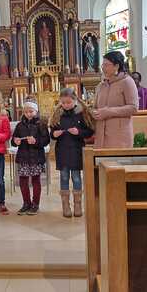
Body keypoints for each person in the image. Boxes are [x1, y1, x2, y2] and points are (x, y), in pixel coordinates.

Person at [50, 88, 94, 218]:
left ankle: (78, 205)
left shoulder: (81, 114)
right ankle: (66, 206)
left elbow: (90, 131)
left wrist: (79, 132)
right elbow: (52, 133)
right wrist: (54, 134)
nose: (66, 105)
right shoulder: (58, 114)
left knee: (76, 177)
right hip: (62, 151)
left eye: (68, 102)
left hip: (76, 150)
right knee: (63, 177)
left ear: (75, 100)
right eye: (63, 103)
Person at [11, 98, 50, 215]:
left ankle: (35, 204)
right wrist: (16, 141)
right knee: (23, 181)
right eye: (26, 111)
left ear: (36, 111)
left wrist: (35, 141)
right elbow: (14, 140)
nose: (28, 114)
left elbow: (46, 140)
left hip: (36, 157)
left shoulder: (41, 125)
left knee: (35, 181)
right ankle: (26, 203)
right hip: (23, 157)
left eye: (31, 111)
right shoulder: (19, 125)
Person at [93, 51, 138, 148]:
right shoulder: (101, 85)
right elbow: (95, 107)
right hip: (101, 135)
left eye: (106, 65)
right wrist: (93, 112)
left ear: (116, 66)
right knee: (101, 162)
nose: (103, 68)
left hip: (119, 136)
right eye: (102, 65)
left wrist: (108, 112)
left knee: (117, 162)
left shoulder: (127, 82)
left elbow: (133, 108)